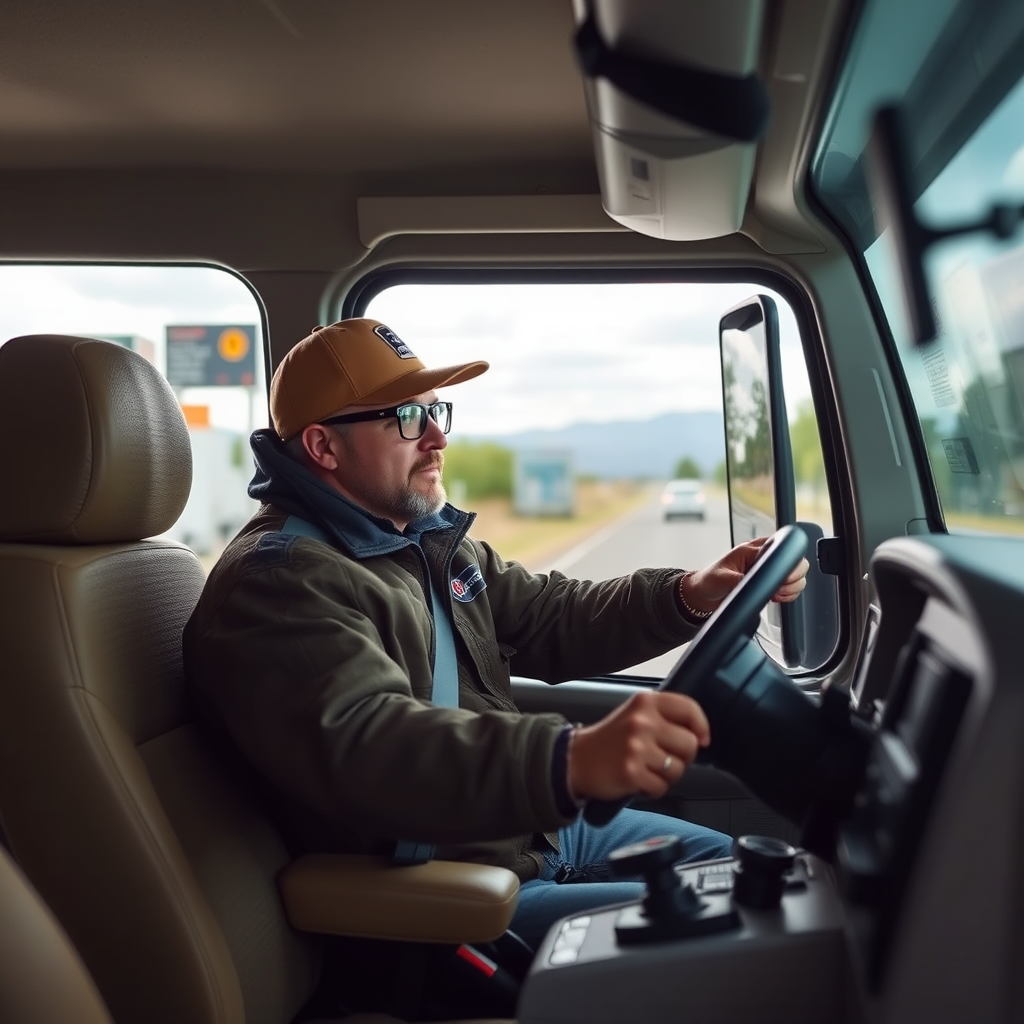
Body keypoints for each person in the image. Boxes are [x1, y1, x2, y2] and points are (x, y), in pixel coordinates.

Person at [183, 318, 808, 953]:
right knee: (751, 926)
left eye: (436, 412)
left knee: (754, 875)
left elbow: (553, 614)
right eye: (405, 417)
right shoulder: (279, 581)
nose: (436, 437)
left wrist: (689, 591)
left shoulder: (421, 543)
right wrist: (570, 760)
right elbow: (375, 744)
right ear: (323, 447)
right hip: (442, 890)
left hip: (531, 837)